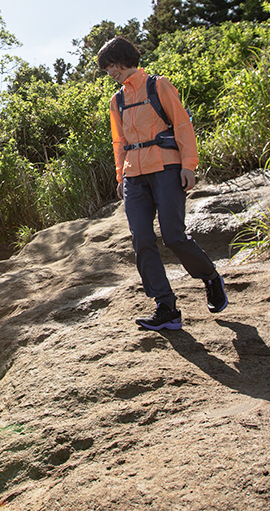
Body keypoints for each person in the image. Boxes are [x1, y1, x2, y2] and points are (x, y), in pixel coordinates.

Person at [97, 36, 227, 330]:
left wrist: (188, 165)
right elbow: (119, 141)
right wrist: (121, 175)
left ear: (125, 58)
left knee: (173, 236)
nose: (110, 73)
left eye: (111, 65)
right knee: (142, 240)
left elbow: (182, 124)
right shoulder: (116, 101)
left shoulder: (158, 85)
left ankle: (209, 276)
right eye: (106, 69)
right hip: (134, 176)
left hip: (166, 168)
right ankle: (165, 306)